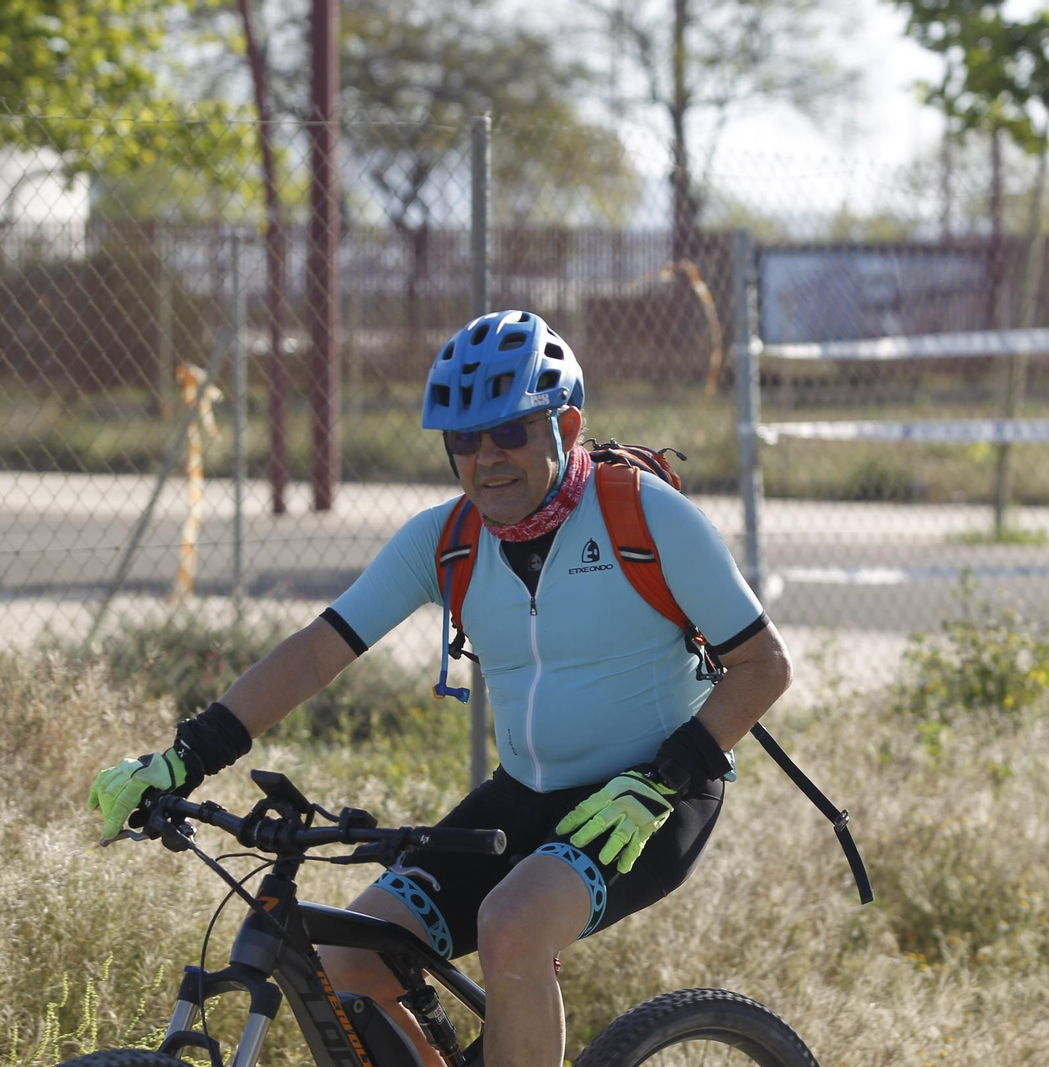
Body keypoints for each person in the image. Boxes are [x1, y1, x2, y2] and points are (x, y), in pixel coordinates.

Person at [88, 309, 794, 1067]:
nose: (486, 457)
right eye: (464, 438)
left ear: (567, 423)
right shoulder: (445, 537)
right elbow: (315, 654)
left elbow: (765, 666)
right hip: (522, 795)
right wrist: (186, 756)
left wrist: (666, 775)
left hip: (652, 796)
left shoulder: (645, 516)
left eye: (510, 432)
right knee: (346, 954)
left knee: (513, 925)